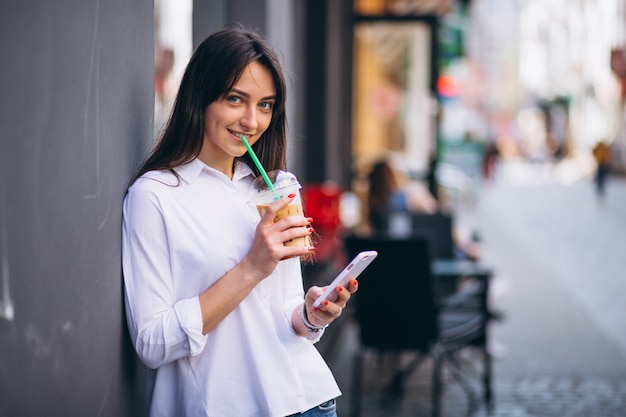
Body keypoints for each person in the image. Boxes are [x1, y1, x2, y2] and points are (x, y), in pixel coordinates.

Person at [122, 24, 356, 417]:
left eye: (265, 105)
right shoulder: (155, 196)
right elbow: (151, 343)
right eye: (236, 99)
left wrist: (310, 315)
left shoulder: (277, 190)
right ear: (200, 97)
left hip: (309, 401)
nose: (252, 120)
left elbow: (283, 312)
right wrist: (251, 267)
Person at [366, 159, 480, 260]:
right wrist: (464, 247)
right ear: (393, 176)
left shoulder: (374, 209)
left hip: (392, 262)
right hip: (423, 259)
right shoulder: (409, 198)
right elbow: (441, 222)